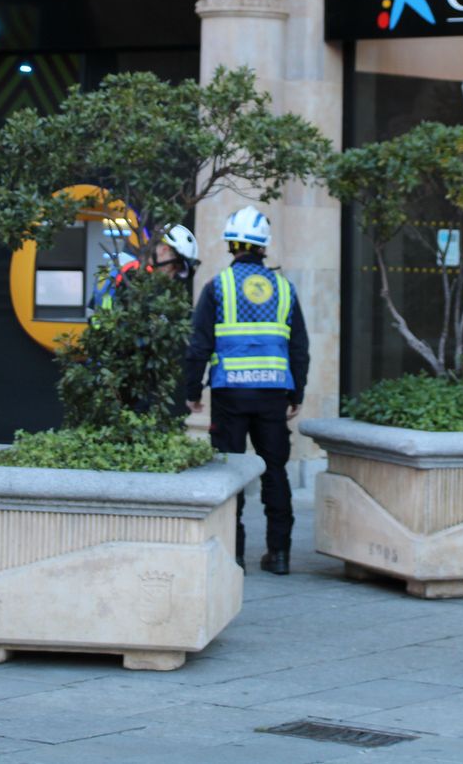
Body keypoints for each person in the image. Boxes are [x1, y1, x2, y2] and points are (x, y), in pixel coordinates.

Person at [185, 206, 308, 575]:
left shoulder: (217, 287)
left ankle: (233, 552)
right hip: (272, 394)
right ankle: (280, 554)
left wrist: (192, 391)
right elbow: (299, 348)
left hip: (230, 396)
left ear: (231, 244)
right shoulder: (285, 289)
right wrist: (296, 393)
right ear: (263, 247)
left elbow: (198, 345)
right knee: (275, 471)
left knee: (229, 470)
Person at [91, 224, 200, 312]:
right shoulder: (136, 275)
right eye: (175, 266)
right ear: (164, 251)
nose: (172, 275)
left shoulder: (122, 262)